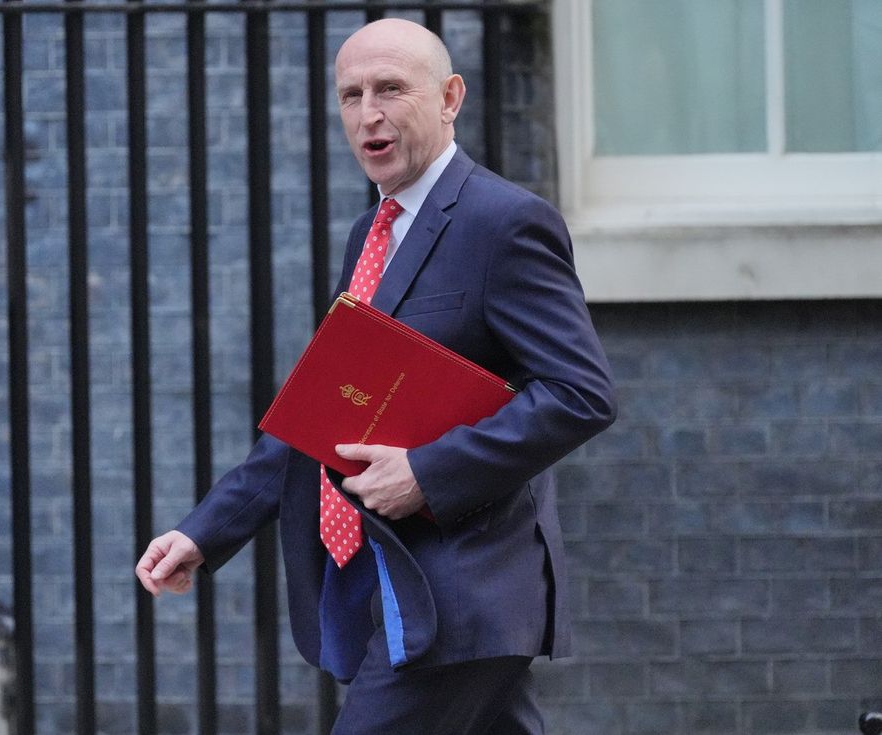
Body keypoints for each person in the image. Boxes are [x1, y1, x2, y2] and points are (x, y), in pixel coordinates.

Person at [136, 18, 616, 734]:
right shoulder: (375, 233)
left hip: (463, 591)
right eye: (351, 95)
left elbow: (581, 393)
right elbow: (321, 415)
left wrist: (428, 469)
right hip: (398, 588)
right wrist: (205, 532)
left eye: (391, 89)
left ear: (450, 96)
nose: (368, 115)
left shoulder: (505, 223)